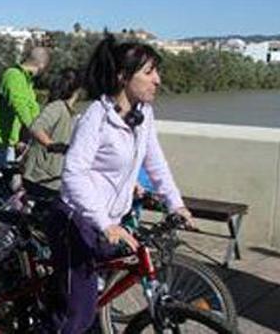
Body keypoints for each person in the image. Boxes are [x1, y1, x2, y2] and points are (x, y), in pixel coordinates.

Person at [47, 36, 194, 333]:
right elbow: (73, 174)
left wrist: (175, 203)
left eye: (157, 72)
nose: (158, 80)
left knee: (93, 296)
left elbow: (155, 163)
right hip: (76, 220)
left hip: (110, 220)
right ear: (123, 77)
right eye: (149, 72)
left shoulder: (143, 115)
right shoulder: (96, 118)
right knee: (77, 316)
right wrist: (105, 223)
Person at [0, 47, 50, 172]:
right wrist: (39, 135)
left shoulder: (27, 82)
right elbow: (20, 107)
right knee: (1, 183)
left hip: (8, 142)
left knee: (10, 182)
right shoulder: (13, 75)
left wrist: (45, 130)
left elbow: (33, 109)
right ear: (42, 65)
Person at [22, 68, 81, 199]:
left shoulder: (71, 113)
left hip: (54, 179)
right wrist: (52, 145)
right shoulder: (57, 107)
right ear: (77, 90)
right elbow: (36, 127)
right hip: (41, 178)